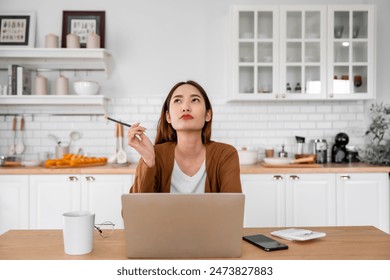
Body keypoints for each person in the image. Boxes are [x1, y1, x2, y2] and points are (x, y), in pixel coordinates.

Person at [128, 80, 242, 193]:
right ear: (168, 117)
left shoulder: (225, 155)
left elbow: (233, 209)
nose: (185, 107)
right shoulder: (154, 155)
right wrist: (148, 161)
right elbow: (133, 210)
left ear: (208, 114)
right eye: (177, 100)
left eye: (195, 100)